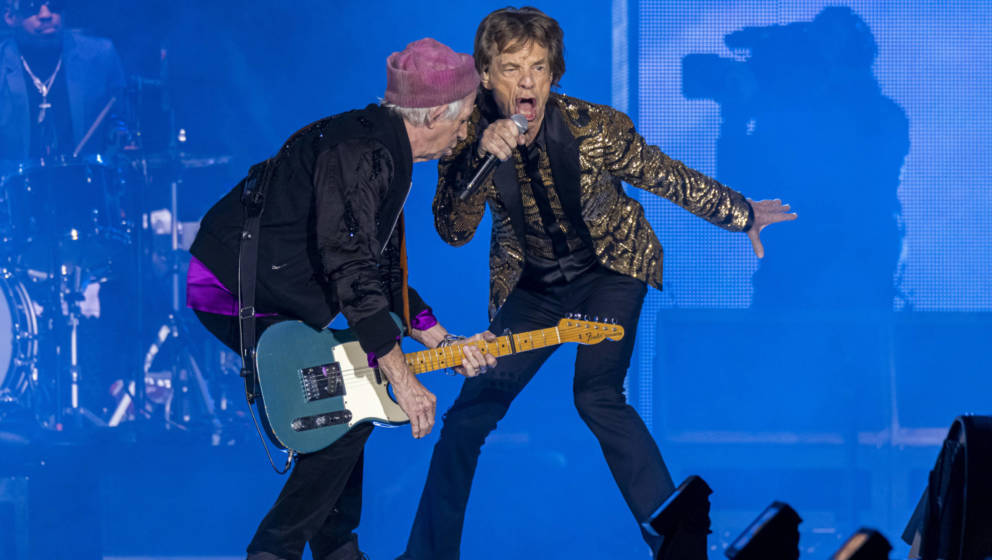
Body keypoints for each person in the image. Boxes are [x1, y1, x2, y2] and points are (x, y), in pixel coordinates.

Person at [398, 7, 796, 559]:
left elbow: (664, 174)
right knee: (468, 416)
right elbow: (453, 231)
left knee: (597, 395)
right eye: (512, 68)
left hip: (612, 270)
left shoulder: (594, 127)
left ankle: (679, 546)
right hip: (534, 287)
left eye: (539, 67)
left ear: (554, 73)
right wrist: (479, 160)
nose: (528, 81)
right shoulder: (469, 140)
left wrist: (740, 212)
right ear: (486, 76)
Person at [187, 38, 497, 560]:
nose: (465, 132)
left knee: (347, 400)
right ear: (431, 116)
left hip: (278, 288)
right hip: (227, 288)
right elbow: (351, 270)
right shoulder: (361, 153)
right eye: (463, 119)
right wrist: (403, 380)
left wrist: (443, 341)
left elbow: (381, 274)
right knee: (349, 405)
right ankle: (275, 550)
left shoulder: (386, 151)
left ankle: (337, 548)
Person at [1, 0, 125, 158]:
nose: (46, 14)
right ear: (10, 17)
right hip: (14, 174)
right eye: (32, 5)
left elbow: (121, 123)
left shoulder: (100, 56)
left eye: (54, 3)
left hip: (85, 172)